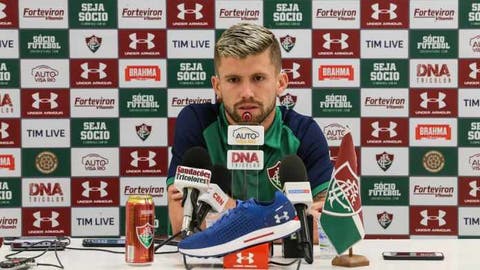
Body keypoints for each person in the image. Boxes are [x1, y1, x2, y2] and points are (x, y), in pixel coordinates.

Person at [167, 23, 334, 240]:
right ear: (217, 87)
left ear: (280, 82)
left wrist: (229, 210)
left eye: (258, 78)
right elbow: (183, 227)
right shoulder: (196, 123)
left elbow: (325, 227)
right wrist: (284, 222)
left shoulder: (304, 133)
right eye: (234, 80)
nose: (247, 93)